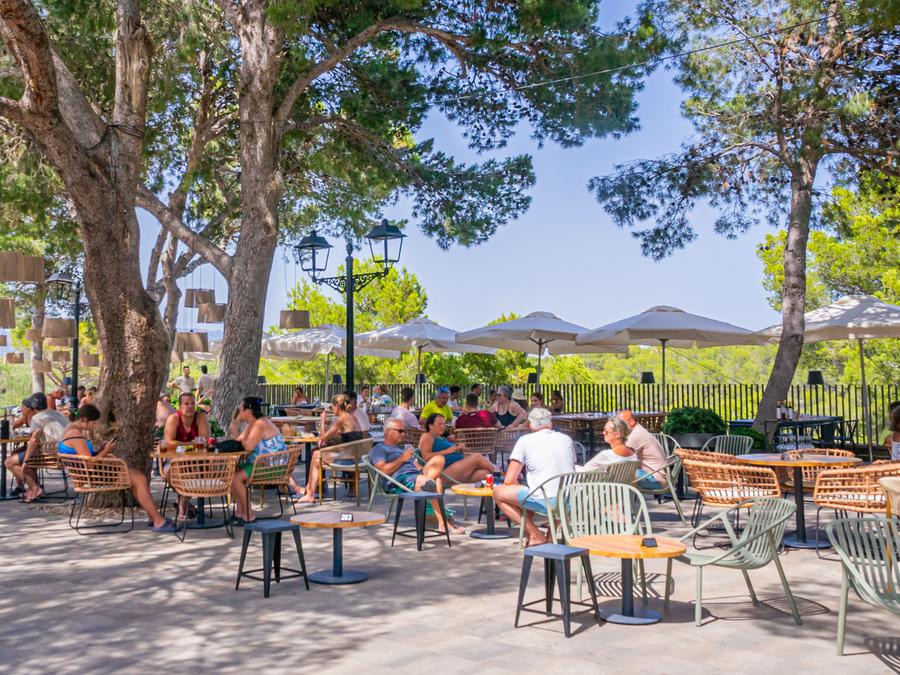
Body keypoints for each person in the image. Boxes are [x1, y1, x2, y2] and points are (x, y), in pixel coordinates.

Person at [58, 404, 178, 533]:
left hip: (91, 473)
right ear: (84, 420)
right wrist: (107, 450)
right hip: (92, 474)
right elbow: (89, 463)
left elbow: (85, 457)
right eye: (93, 423)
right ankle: (158, 521)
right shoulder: (75, 434)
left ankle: (153, 516)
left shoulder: (69, 430)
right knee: (139, 479)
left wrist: (102, 449)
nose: (95, 426)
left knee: (138, 476)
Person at [493, 408, 576, 546]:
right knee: (558, 487)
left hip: (544, 500)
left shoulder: (525, 440)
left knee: (498, 492)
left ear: (531, 425)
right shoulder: (566, 439)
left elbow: (509, 480)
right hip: (569, 499)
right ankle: (552, 534)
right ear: (550, 423)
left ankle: (535, 534)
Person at [371, 419, 464, 534]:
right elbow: (383, 470)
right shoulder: (379, 448)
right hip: (400, 481)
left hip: (415, 475)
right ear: (388, 432)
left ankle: (437, 514)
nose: (403, 434)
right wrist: (403, 458)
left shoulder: (400, 448)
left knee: (439, 460)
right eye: (400, 431)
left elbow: (414, 465)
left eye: (404, 431)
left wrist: (419, 466)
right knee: (434, 482)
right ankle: (443, 523)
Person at [230, 396, 289, 524]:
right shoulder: (252, 424)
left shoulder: (260, 424)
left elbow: (247, 446)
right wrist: (235, 427)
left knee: (236, 478)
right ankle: (240, 512)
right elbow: (239, 441)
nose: (238, 412)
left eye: (240, 409)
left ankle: (249, 514)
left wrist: (235, 430)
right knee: (231, 473)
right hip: (262, 463)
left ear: (247, 411)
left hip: (272, 466)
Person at [298, 394, 364, 503]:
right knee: (316, 454)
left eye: (332, 407)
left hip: (348, 460)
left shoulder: (341, 419)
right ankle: (309, 490)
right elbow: (344, 435)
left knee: (316, 455)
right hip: (355, 456)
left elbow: (323, 437)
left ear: (336, 406)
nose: (331, 409)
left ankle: (310, 493)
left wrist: (322, 421)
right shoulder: (351, 416)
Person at [6, 393, 68, 502]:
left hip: (53, 454)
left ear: (33, 407)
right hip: (68, 452)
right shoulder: (57, 414)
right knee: (25, 454)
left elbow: (34, 440)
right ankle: (32, 489)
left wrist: (25, 461)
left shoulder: (37, 418)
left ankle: (35, 488)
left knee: (9, 462)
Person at [162, 392, 213, 518]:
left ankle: (182, 501)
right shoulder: (174, 418)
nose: (190, 406)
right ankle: (184, 500)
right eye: (186, 404)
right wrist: (190, 444)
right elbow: (168, 442)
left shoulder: (200, 417)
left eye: (192, 403)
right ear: (179, 406)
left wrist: (183, 444)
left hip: (198, 461)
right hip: (175, 460)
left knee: (197, 473)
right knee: (170, 473)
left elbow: (205, 439)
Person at [419, 413, 496, 484]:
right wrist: (447, 451)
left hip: (458, 470)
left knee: (485, 474)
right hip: (444, 472)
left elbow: (452, 453)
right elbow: (426, 456)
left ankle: (488, 492)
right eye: (439, 424)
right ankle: (499, 472)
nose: (443, 426)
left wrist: (460, 449)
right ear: (430, 425)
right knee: (476, 457)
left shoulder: (442, 438)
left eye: (444, 424)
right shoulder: (427, 436)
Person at [616, 409, 668, 489]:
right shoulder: (637, 431)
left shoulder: (636, 435)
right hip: (656, 476)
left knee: (622, 470)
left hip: (657, 481)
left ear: (632, 422)